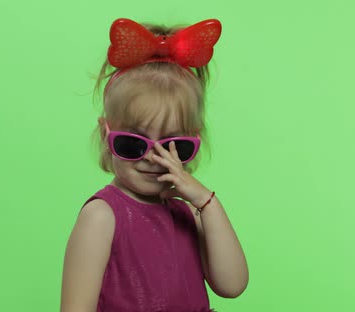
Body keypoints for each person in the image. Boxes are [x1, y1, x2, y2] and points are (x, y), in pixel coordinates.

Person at [60, 18, 249, 312]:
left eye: (174, 146)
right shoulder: (102, 216)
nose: (153, 157)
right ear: (106, 135)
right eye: (133, 143)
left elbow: (233, 284)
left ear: (193, 142)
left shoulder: (188, 213)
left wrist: (206, 202)